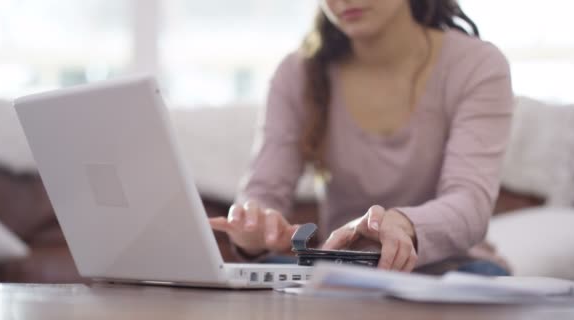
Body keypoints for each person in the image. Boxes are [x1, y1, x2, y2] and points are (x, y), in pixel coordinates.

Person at [210, 0, 514, 275]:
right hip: (344, 273)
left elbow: (470, 203)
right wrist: (253, 230)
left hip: (452, 268)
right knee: (267, 275)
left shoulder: (476, 64)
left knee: (483, 278)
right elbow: (262, 194)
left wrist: (403, 224)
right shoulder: (298, 73)